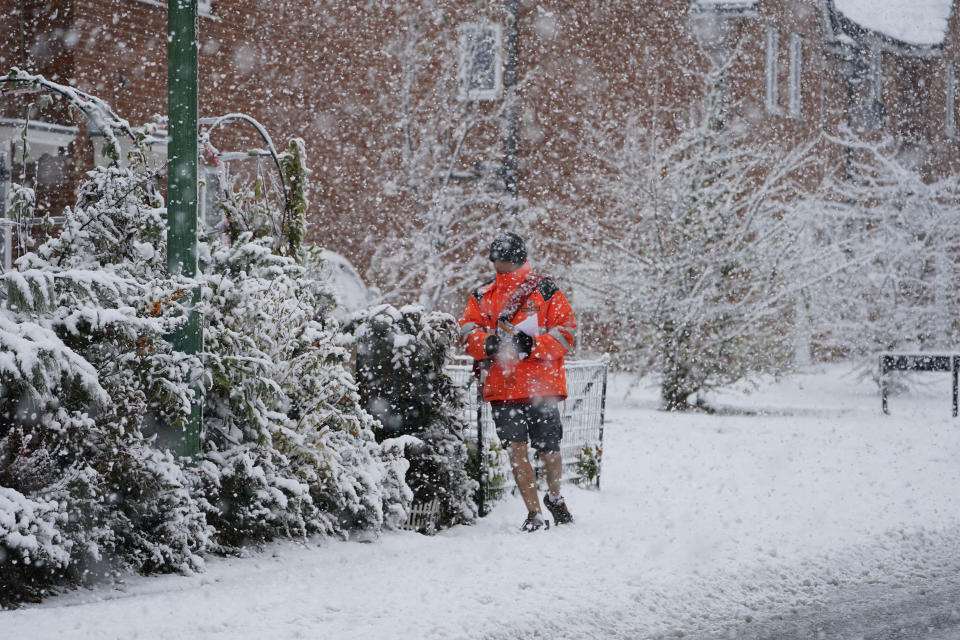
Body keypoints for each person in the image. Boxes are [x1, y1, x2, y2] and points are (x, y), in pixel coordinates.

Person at [459, 231, 577, 532]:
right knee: (516, 449)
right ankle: (534, 513)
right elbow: (466, 333)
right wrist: (489, 343)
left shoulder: (545, 290)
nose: (501, 268)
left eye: (506, 262)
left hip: (542, 386)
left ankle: (554, 496)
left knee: (550, 449)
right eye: (497, 262)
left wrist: (532, 345)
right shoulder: (482, 295)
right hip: (504, 387)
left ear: (519, 260)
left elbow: (566, 333)